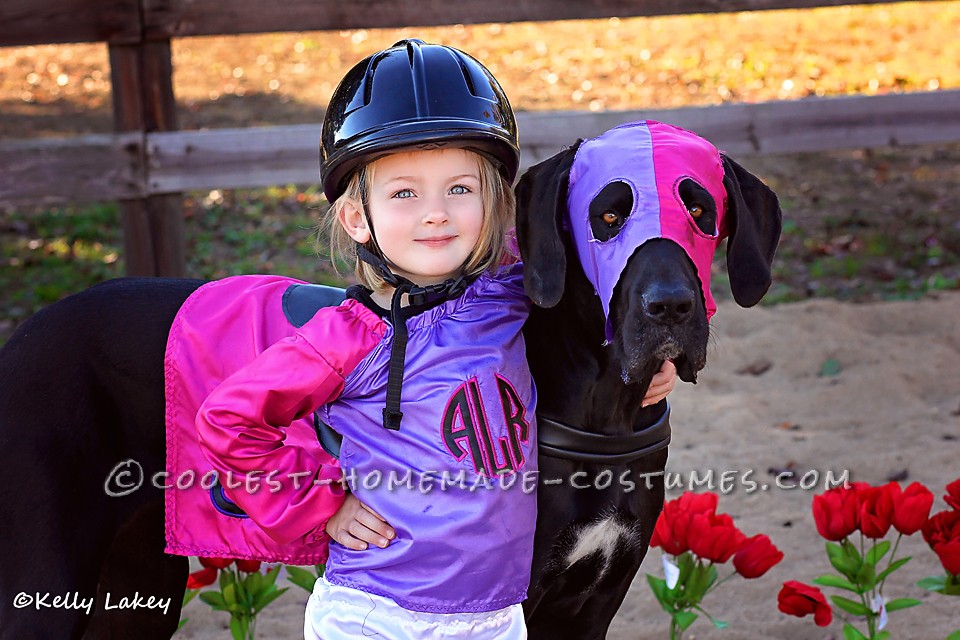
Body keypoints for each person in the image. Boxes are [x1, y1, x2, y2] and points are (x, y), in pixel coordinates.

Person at [196, 39, 676, 639]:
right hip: (378, 612)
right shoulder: (346, 339)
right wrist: (323, 504)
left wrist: (646, 367)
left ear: (497, 202)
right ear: (356, 217)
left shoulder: (519, 295)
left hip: (495, 618)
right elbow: (229, 420)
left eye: (460, 188)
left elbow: (601, 314)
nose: (435, 213)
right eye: (404, 192)